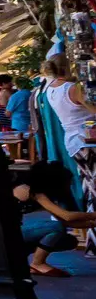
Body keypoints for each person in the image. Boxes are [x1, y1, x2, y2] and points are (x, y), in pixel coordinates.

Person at [14, 161, 96, 276]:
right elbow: (66, 216)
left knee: (69, 241)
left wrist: (92, 223)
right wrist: (93, 215)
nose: (69, 187)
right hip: (9, 234)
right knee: (56, 227)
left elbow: (65, 221)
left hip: (14, 233)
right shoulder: (33, 192)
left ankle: (21, 259)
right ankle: (37, 263)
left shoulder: (41, 194)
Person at [40, 54, 96, 211]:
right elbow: (93, 110)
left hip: (72, 141)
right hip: (87, 140)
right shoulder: (73, 88)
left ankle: (91, 224)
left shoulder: (51, 90)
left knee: (89, 183)